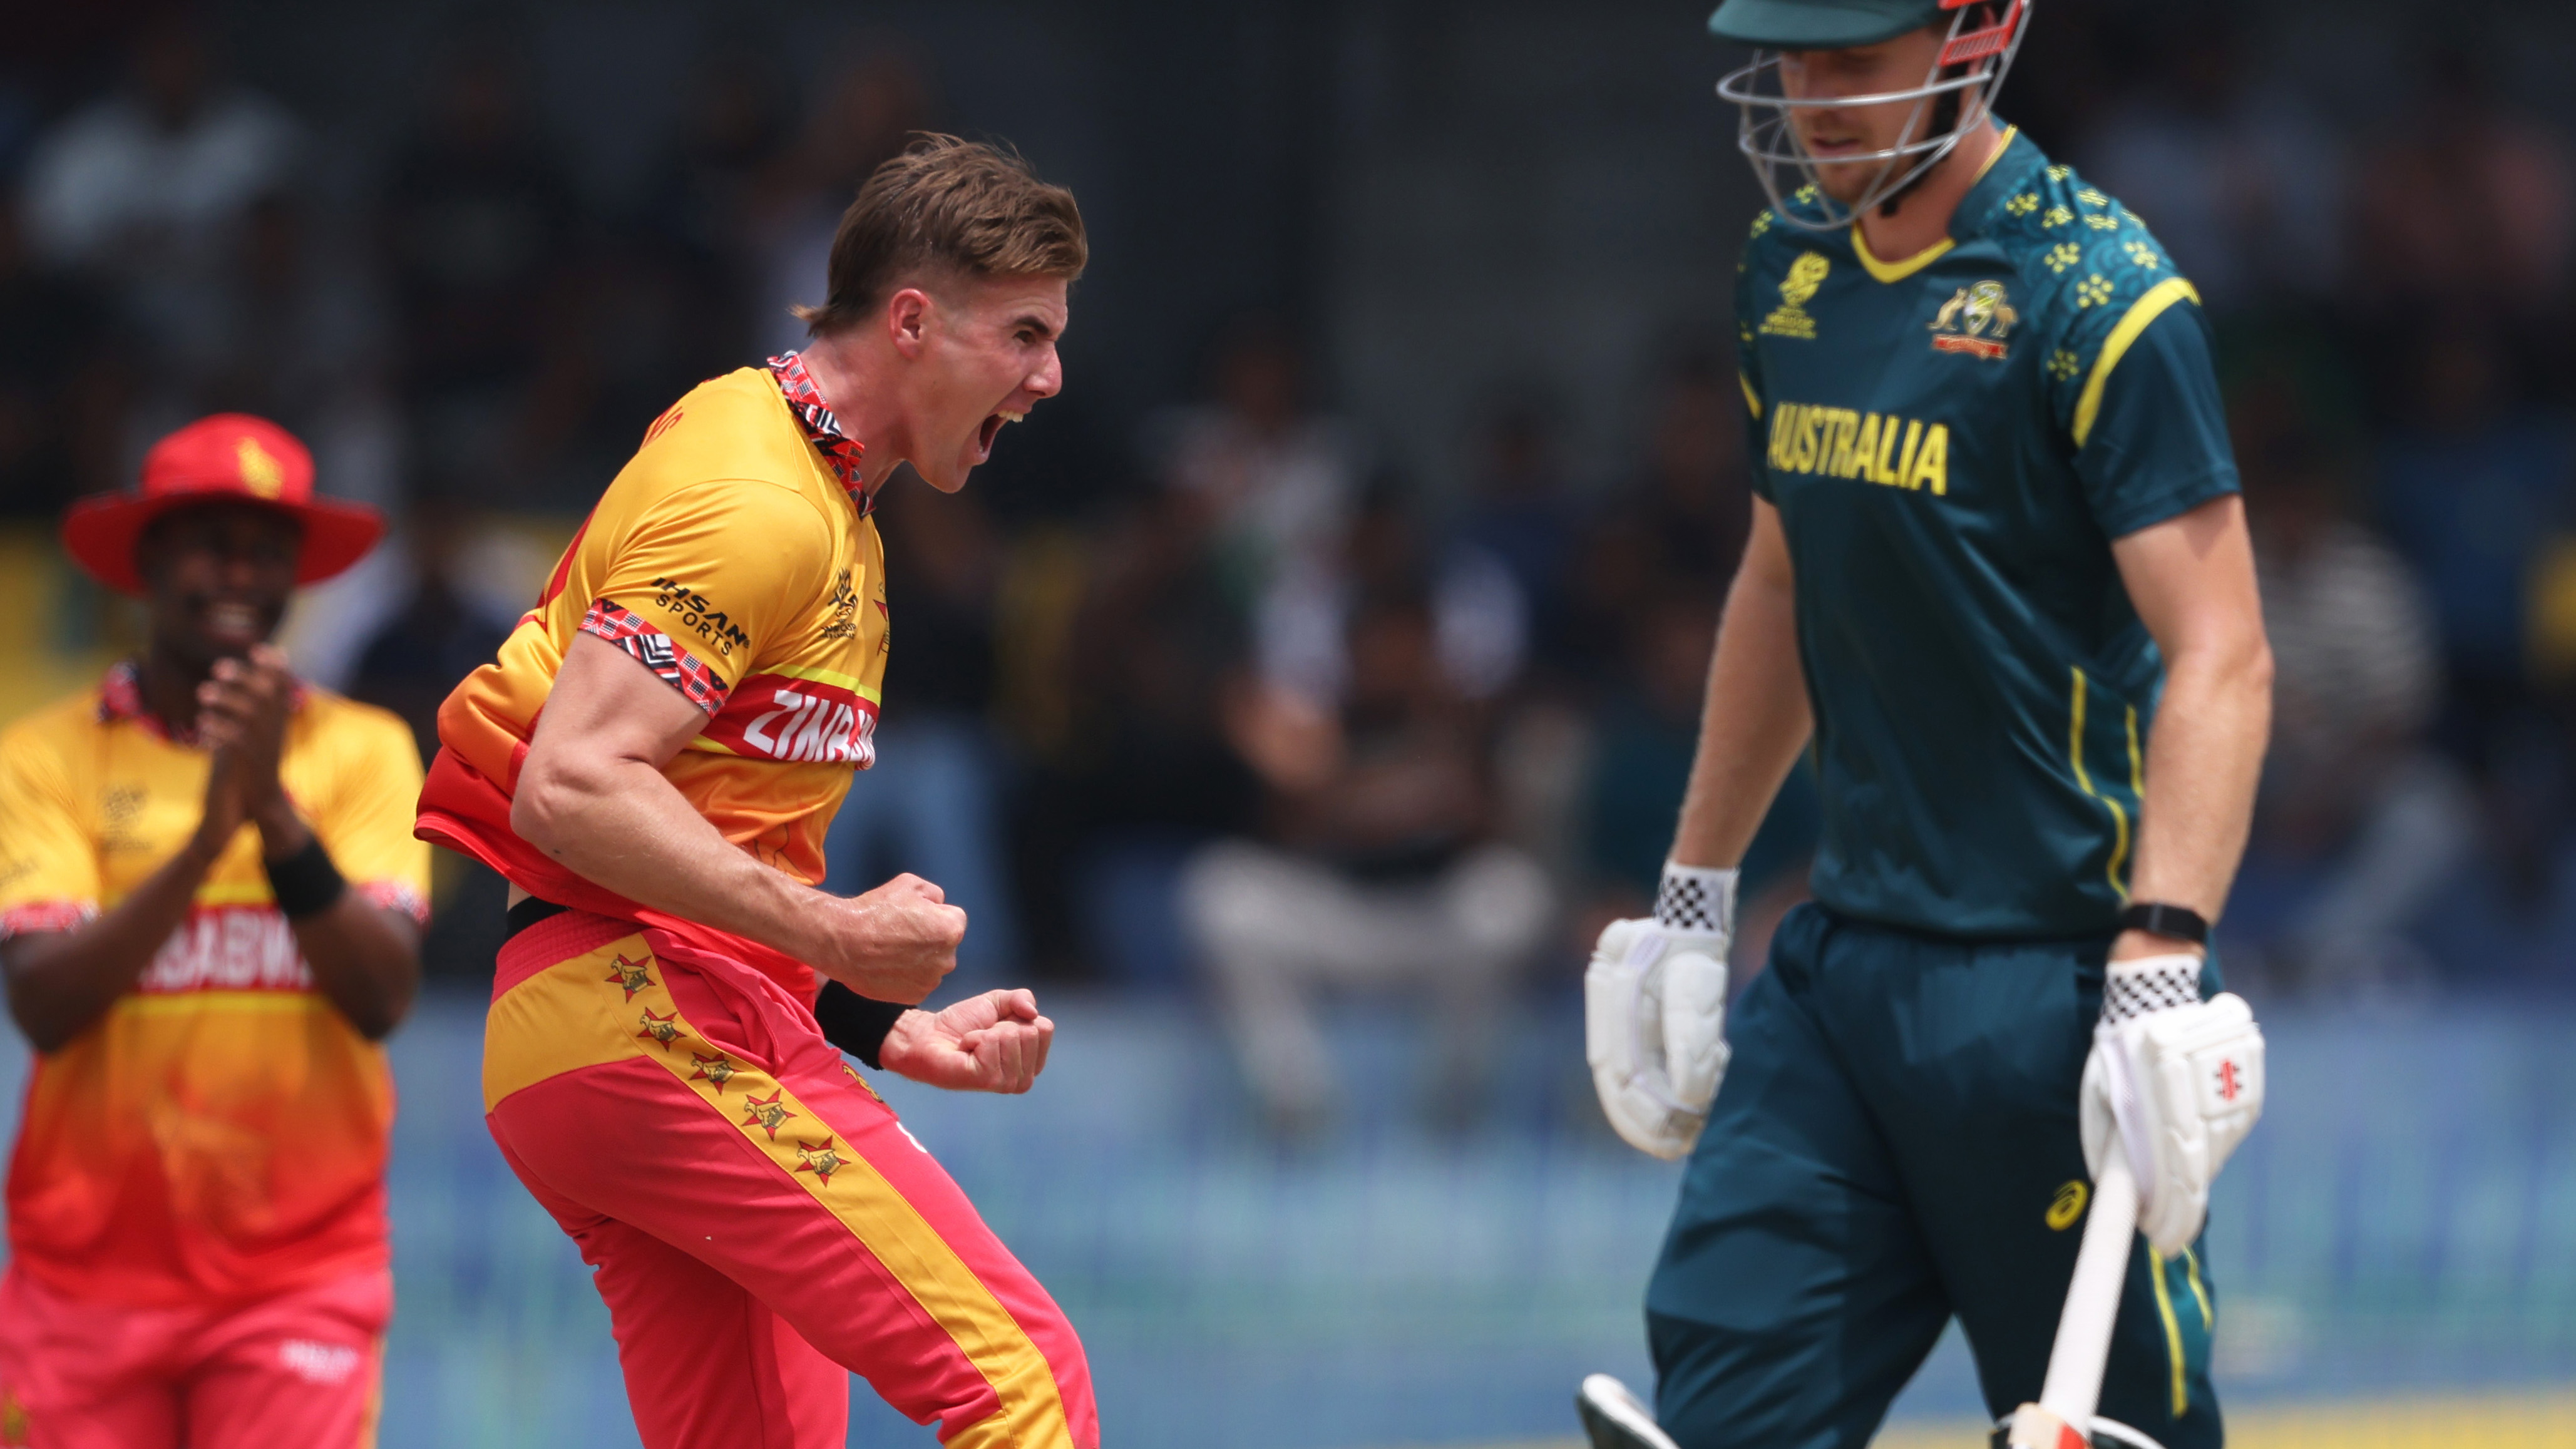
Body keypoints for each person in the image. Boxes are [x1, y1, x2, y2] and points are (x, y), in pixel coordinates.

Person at [1576, 4, 2272, 1448]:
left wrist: (2162, 956)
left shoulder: (2101, 293)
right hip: (1841, 971)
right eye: (1794, 58)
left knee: (2116, 1430)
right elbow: (1781, 580)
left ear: (1976, 34)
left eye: (1854, 58)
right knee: (1721, 1418)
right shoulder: (1787, 271)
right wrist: (1694, 896)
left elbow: (2225, 651)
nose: (1812, 97)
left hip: (2055, 990)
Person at [412, 135, 1097, 1448]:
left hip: (611, 1022)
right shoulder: (757, 494)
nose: (1050, 377)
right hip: (646, 1015)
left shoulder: (829, 506)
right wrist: (834, 932)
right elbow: (573, 784)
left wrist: (873, 1021)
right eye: (1025, 334)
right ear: (913, 322)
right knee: (1022, 1382)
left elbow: (705, 838)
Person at [0, 414, 426, 1446]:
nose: (241, 575)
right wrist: (203, 847)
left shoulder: (366, 751)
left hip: (299, 1280)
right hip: (83, 1284)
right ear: (146, 562)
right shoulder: (46, 756)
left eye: (268, 551)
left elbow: (381, 998)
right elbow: (44, 1004)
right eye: (211, 546)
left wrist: (272, 812)